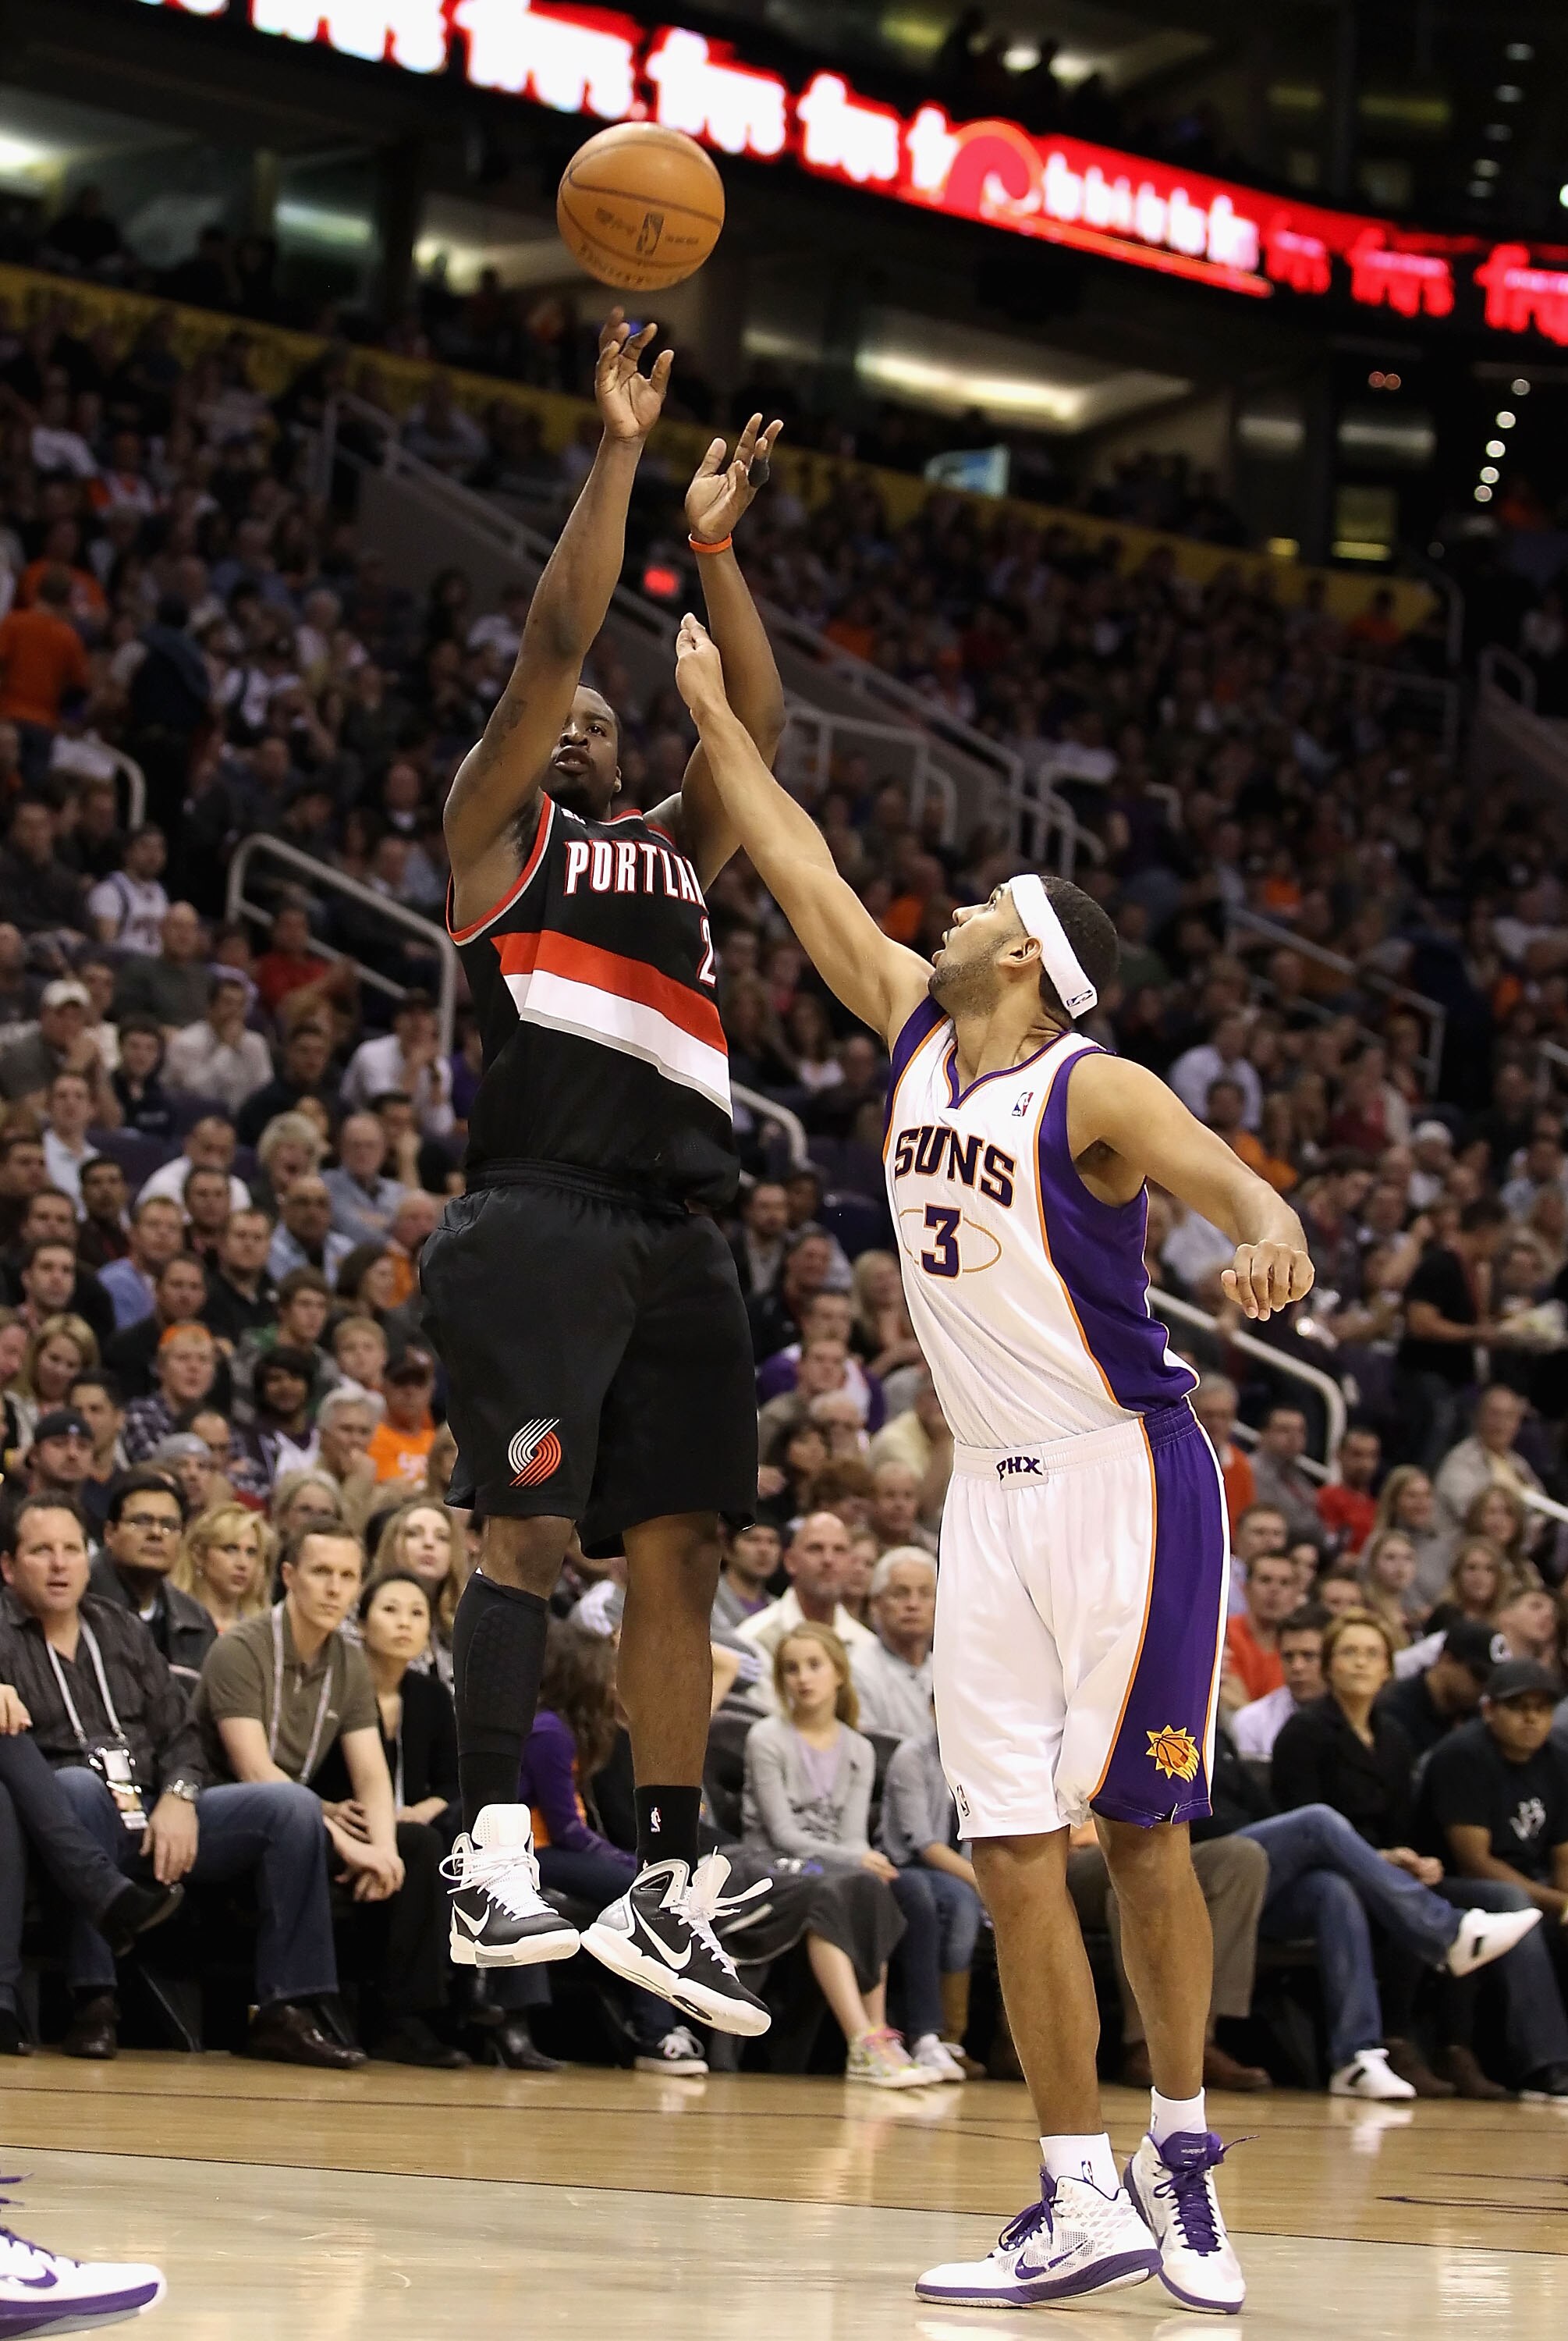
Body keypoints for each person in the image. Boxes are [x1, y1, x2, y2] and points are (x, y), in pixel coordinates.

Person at [675, 609, 1321, 2311]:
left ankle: (1182, 2165)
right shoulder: (907, 1027)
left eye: (983, 909)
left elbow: (1239, 1182)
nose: (948, 913)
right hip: (987, 1499)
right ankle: (1073, 2191)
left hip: (1129, 1474)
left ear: (1028, 957)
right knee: (1015, 1849)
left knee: (1147, 1835)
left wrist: (1268, 1235)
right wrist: (714, 686)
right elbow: (798, 863)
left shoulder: (1092, 1090)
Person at [417, 323, 787, 2036]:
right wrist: (624, 455)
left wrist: (714, 556)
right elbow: (559, 633)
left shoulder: (675, 846)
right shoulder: (503, 846)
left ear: (628, 749)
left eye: (594, 716)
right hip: (545, 1212)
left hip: (684, 1232)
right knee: (528, 1531)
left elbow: (759, 727)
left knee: (686, 1552)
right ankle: (492, 1841)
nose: (569, 716)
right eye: (545, 716)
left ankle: (663, 1878)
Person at [0, 1493, 360, 2067]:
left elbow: (182, 1735)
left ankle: (286, 2010)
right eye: (42, 1551)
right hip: (68, 1827)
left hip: (154, 1809)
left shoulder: (116, 1625)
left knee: (290, 1807)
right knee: (77, 1787)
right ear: (9, 1565)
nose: (61, 1564)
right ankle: (95, 2001)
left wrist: (180, 1795)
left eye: (72, 1549)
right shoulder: (3, 1630)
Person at [194, 1524, 466, 2066]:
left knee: (415, 1844)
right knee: (306, 1817)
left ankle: (402, 2021)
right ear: (289, 1576)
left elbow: (370, 1774)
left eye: (347, 1576)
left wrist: (383, 1849)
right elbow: (251, 1768)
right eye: (321, 1573)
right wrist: (346, 1840)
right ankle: (295, 2009)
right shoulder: (241, 1648)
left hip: (294, 1813)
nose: (334, 1588)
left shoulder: (346, 1661)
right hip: (215, 1812)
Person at [742, 1625, 935, 2087]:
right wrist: (854, 1859)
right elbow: (783, 1834)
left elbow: (852, 1837)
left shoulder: (859, 1748)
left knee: (870, 1883)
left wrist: (863, 1860)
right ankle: (860, 2041)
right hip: (767, 1862)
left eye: (814, 1666)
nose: (802, 1678)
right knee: (834, 1888)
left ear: (839, 1675)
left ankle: (879, 2036)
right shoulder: (765, 1737)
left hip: (828, 1864)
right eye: (791, 1669)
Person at [520, 1620, 708, 2074]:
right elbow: (567, 1831)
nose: (613, 1682)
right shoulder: (549, 1732)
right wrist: (631, 1861)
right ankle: (654, 2034)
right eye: (607, 1671)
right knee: (644, 1892)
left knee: (654, 1885)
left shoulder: (565, 1729)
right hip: (531, 1855)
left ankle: (665, 2023)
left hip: (551, 1852)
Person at [1417, 1657, 1568, 2098]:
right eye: (1518, 1706)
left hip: (1528, 1882)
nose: (1531, 1718)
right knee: (1513, 1906)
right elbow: (1475, 1862)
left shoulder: (1558, 1759)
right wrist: (1559, 1905)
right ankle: (1547, 2065)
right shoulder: (1463, 1756)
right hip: (1442, 1886)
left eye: (1542, 1707)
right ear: (1488, 1710)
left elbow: (1562, 1856)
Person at [735, 1510, 876, 1707]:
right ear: (791, 1562)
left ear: (851, 1564)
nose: (828, 1560)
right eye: (815, 1549)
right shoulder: (753, 1640)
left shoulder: (868, 1645)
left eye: (839, 1550)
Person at [369, 1499, 466, 1686]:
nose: (429, 1543)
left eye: (442, 1537)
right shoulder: (363, 1612)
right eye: (413, 1534)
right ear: (392, 1545)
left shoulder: (460, 1626)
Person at [1377, 1618, 1502, 1758]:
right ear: (1446, 1660)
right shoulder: (1395, 1710)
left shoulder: (1475, 1717)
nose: (1484, 1687)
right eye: (1479, 1676)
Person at [850, 1549, 936, 1742]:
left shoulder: (949, 1670)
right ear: (875, 1605)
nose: (913, 1604)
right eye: (900, 1594)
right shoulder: (857, 1669)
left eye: (925, 1594)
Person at [1230, 1604, 1328, 1759]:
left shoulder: (1358, 1720)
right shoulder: (1251, 1722)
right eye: (1288, 1656)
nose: (1297, 1667)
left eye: (1308, 1656)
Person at [173, 1501, 273, 1635]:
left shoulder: (267, 1631)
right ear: (198, 1555)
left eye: (251, 1552)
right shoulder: (173, 1621)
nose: (243, 1564)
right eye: (230, 1549)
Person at [1221, 1548, 1300, 1714]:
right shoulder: (1223, 1635)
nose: (1274, 1590)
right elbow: (1227, 1696)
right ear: (1245, 1588)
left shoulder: (1304, 1644)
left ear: (1296, 1593)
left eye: (1284, 1583)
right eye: (1265, 1580)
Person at [1316, 1425, 1382, 1556]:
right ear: (1339, 1455)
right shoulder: (1327, 1497)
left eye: (1372, 1456)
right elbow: (1330, 1548)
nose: (1365, 1464)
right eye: (1357, 1455)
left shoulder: (1378, 1507)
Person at [711, 1521, 780, 1632]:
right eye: (753, 1540)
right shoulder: (707, 1599)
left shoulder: (780, 1608)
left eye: (772, 1542)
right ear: (727, 1549)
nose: (764, 1549)